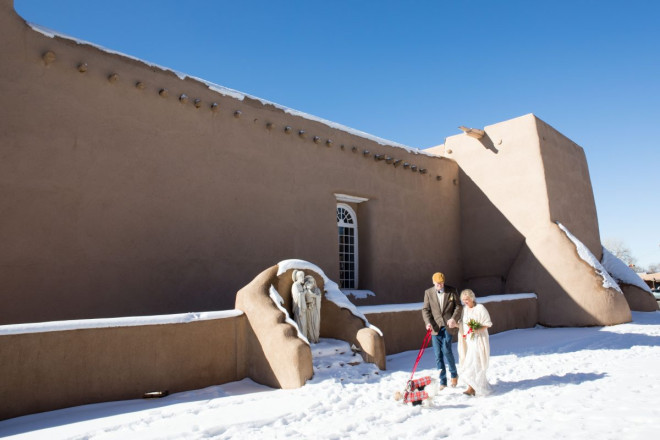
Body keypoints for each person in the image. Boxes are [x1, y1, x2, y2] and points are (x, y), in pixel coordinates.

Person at [422, 272, 462, 389]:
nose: (440, 285)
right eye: (437, 283)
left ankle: (454, 375)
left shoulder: (452, 290)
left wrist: (454, 319)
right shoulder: (428, 293)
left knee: (446, 349)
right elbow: (425, 310)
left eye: (442, 283)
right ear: (433, 282)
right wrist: (428, 322)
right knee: (438, 355)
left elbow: (458, 306)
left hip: (448, 326)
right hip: (435, 327)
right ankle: (443, 381)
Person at [457, 289, 493, 396]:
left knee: (475, 362)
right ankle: (472, 386)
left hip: (479, 340)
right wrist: (457, 325)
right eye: (463, 300)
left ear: (472, 298)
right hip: (469, 340)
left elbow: (488, 323)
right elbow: (464, 323)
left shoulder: (480, 308)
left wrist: (478, 329)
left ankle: (473, 387)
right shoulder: (465, 309)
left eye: (467, 300)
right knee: (469, 362)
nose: (465, 302)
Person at [303, 275, 322, 343]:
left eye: (313, 281)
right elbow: (303, 300)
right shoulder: (305, 290)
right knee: (309, 324)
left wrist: (315, 296)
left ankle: (315, 338)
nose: (312, 283)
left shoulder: (317, 290)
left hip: (316, 310)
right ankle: (311, 338)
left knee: (316, 324)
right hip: (309, 310)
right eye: (310, 281)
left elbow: (319, 298)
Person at [291, 270, 308, 339]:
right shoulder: (295, 285)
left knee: (304, 324)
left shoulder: (300, 285)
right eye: (302, 277)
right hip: (299, 308)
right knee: (300, 324)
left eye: (303, 276)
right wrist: (304, 293)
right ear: (298, 277)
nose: (303, 278)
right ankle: (301, 338)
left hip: (303, 307)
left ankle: (304, 338)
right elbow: (296, 296)